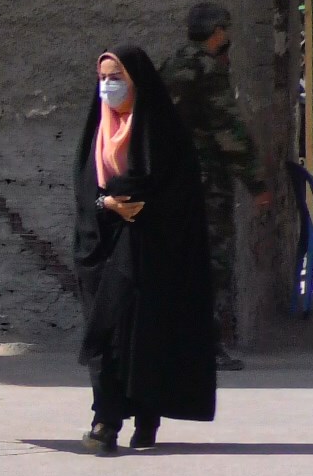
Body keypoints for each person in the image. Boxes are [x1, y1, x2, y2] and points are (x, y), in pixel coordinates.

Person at [74, 46, 217, 454]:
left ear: (136, 81)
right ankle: (106, 420)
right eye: (102, 78)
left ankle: (144, 415)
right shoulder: (97, 131)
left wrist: (141, 202)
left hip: (151, 249)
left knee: (140, 337)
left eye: (116, 77)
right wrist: (108, 203)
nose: (108, 86)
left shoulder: (162, 130)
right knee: (104, 332)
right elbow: (85, 188)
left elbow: (179, 190)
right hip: (102, 245)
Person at [160, 2, 273, 371]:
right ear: (217, 32)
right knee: (213, 262)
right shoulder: (207, 69)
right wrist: (257, 183)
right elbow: (229, 132)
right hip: (207, 183)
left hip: (173, 181)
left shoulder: (173, 64)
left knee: (180, 260)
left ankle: (174, 343)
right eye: (226, 30)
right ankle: (206, 345)